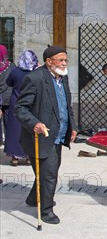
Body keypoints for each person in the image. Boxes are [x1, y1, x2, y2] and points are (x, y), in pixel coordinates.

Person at [15, 45, 77, 225]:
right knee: (49, 174)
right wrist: (35, 123)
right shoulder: (34, 78)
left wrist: (72, 126)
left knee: (48, 170)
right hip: (41, 136)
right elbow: (20, 108)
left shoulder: (62, 77)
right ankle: (47, 211)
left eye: (66, 60)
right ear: (49, 62)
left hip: (59, 134)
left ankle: (34, 198)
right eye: (61, 60)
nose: (64, 63)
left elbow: (67, 104)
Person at [5, 50, 39, 166]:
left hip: (16, 103)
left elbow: (8, 83)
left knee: (14, 130)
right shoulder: (36, 72)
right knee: (30, 129)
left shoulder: (15, 71)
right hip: (31, 104)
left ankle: (15, 157)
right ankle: (29, 156)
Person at [0, 44, 15, 142]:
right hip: (10, 98)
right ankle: (11, 146)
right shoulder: (12, 66)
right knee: (10, 124)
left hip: (2, 98)